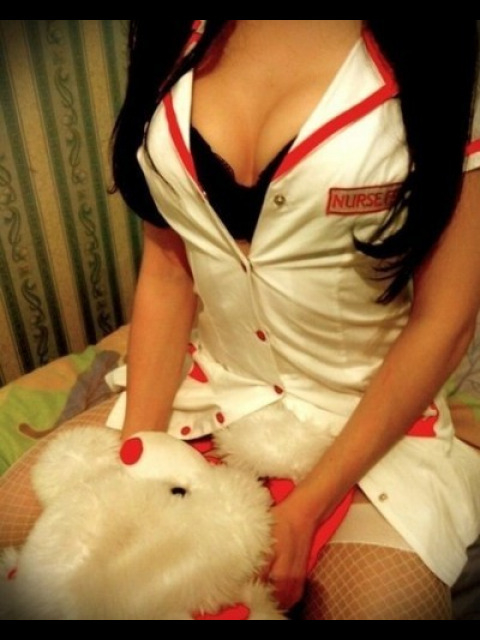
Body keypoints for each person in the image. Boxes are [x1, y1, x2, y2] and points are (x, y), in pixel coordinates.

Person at [111, 20, 480, 619]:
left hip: (369, 422)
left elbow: (445, 324)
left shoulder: (436, 71)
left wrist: (307, 508)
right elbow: (169, 273)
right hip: (210, 388)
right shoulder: (175, 37)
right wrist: (138, 456)